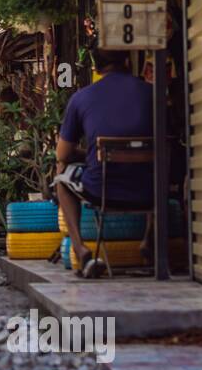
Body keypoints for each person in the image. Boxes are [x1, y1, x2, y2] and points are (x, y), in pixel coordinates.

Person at [53, 48, 153, 277]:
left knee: (61, 179)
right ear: (128, 61)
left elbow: (62, 154)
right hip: (151, 191)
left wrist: (91, 152)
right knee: (157, 166)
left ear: (96, 68)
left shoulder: (81, 98)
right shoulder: (151, 93)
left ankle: (81, 250)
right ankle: (149, 240)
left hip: (101, 190)